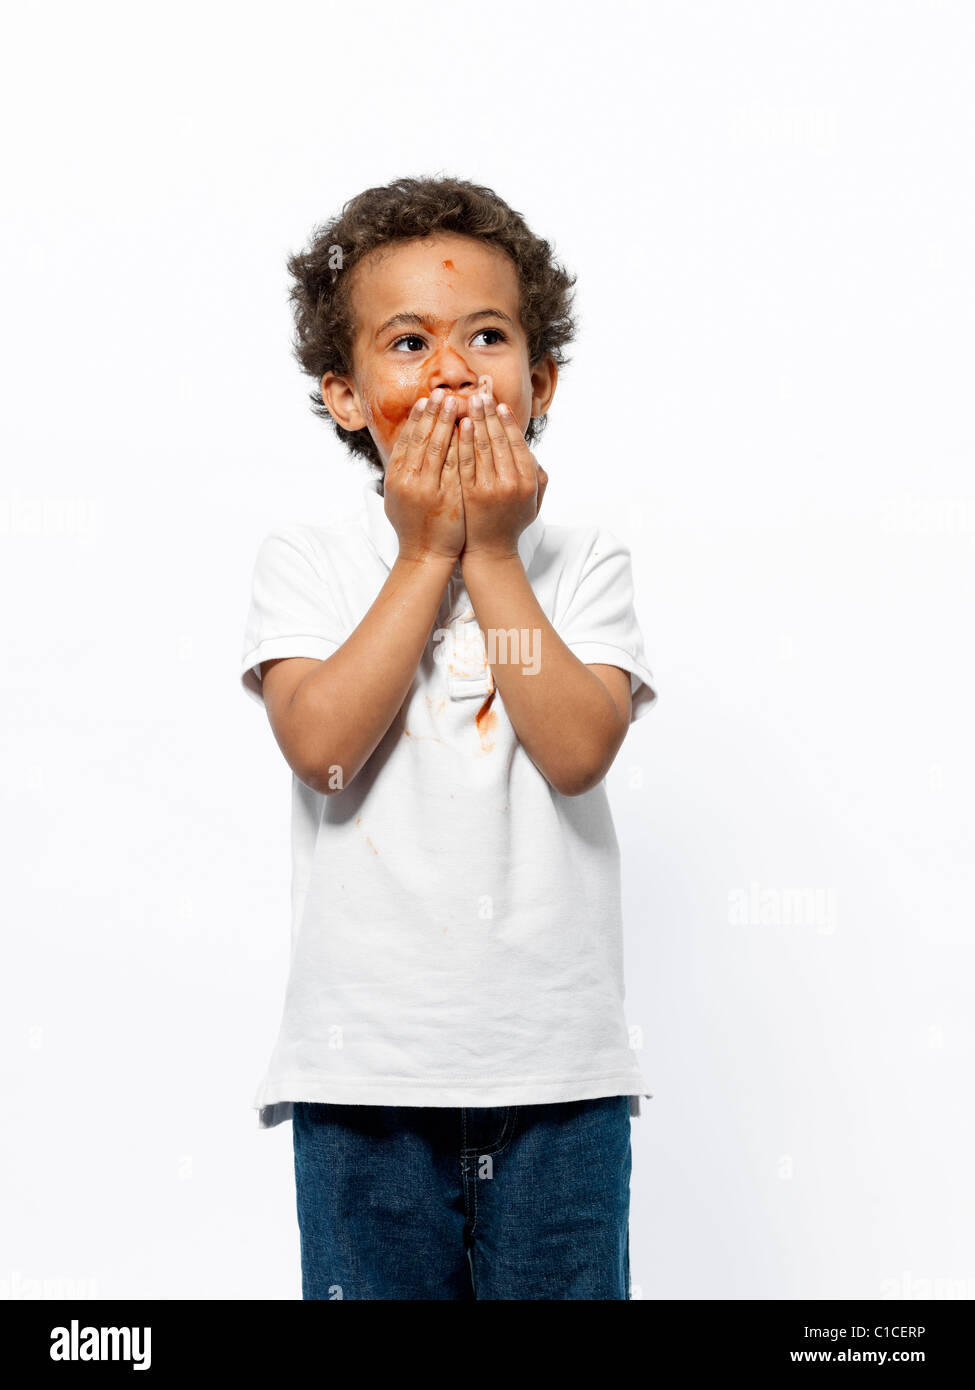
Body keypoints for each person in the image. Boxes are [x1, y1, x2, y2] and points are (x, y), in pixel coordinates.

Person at [238, 175, 658, 1299]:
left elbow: (575, 751)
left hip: (558, 1078)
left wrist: (493, 556)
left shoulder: (583, 564)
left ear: (543, 378)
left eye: (487, 335)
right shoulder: (311, 562)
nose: (454, 370)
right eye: (409, 342)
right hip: (365, 1074)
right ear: (343, 393)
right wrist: (426, 554)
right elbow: (324, 750)